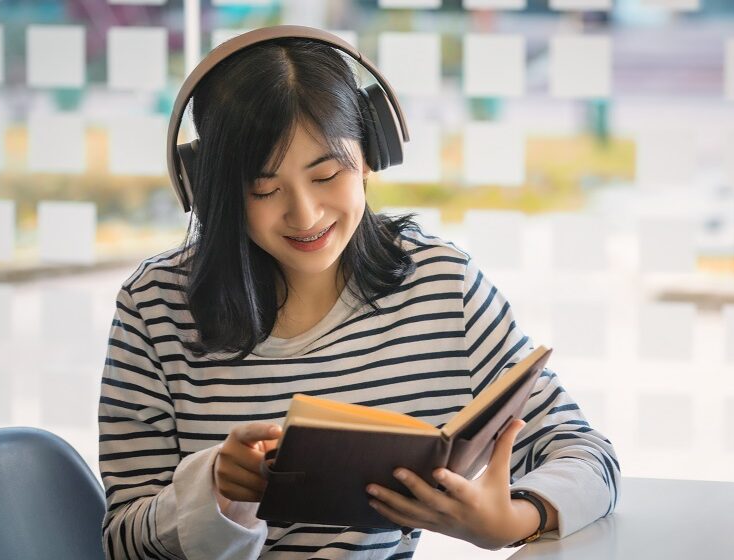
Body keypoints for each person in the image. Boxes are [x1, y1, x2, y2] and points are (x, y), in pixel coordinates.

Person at [98, 32, 620, 560]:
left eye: (327, 175)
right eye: (264, 190)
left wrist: (513, 519)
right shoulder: (154, 308)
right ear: (212, 189)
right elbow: (122, 542)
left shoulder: (440, 286)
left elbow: (585, 452)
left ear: (370, 154)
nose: (305, 214)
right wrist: (214, 491)